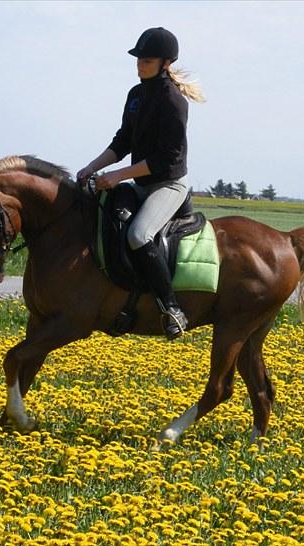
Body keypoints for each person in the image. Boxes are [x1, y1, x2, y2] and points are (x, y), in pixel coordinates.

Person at [77, 27, 205, 340]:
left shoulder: (174, 102)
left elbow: (164, 161)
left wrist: (116, 176)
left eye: (146, 60)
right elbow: (122, 141)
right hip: (139, 184)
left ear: (165, 63)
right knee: (105, 215)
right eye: (138, 59)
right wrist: (91, 168)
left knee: (138, 234)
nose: (139, 65)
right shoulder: (135, 96)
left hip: (168, 185)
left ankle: (172, 308)